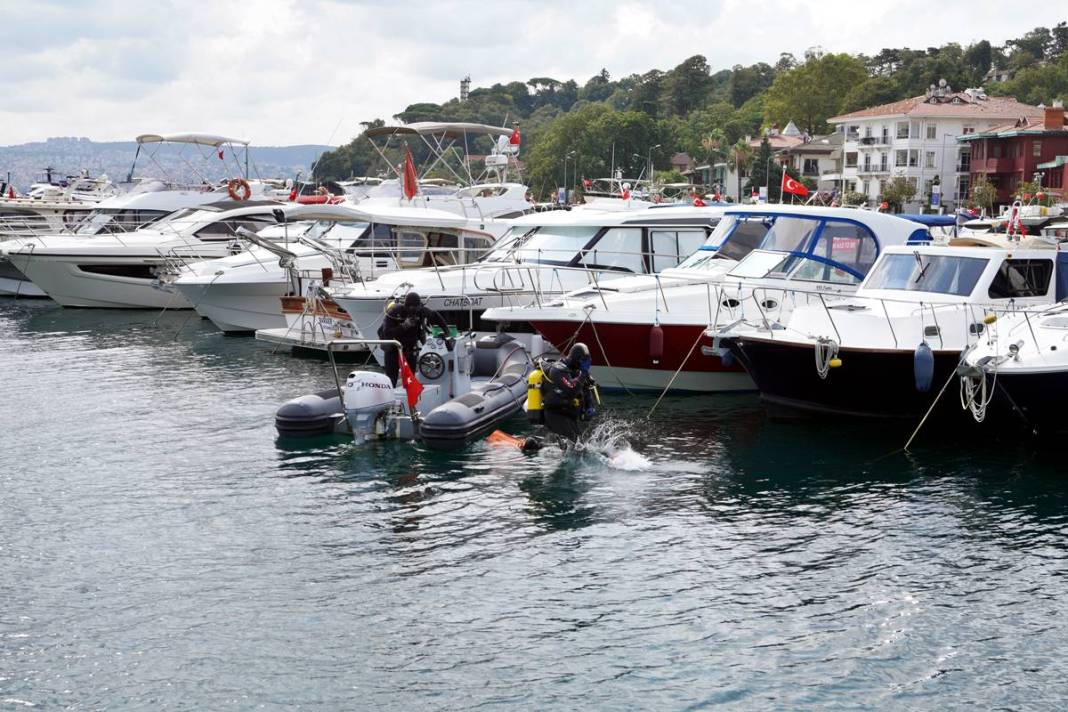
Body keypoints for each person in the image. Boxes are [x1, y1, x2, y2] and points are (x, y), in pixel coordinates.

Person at [377, 292, 452, 386]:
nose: (413, 313)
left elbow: (436, 317)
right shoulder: (394, 312)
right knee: (391, 378)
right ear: (406, 306)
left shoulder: (421, 311)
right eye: (410, 310)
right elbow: (386, 333)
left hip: (410, 349)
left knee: (410, 379)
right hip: (393, 349)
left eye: (415, 310)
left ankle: (409, 396)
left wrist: (447, 332)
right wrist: (404, 326)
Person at [540, 343, 598, 443]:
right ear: (576, 358)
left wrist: (589, 405)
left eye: (586, 360)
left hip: (570, 416)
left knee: (581, 444)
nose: (584, 363)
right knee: (576, 446)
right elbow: (571, 389)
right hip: (556, 414)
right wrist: (583, 373)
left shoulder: (578, 371)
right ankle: (535, 444)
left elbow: (588, 388)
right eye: (582, 360)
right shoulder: (558, 369)